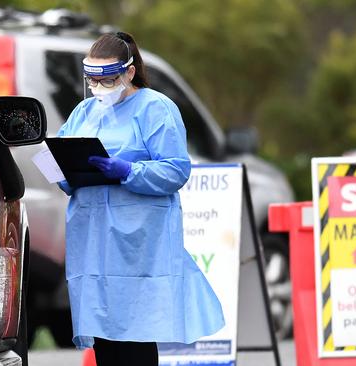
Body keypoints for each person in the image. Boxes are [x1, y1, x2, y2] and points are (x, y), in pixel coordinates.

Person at [56, 32, 225, 366]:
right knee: (103, 335)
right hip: (92, 242)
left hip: (137, 246)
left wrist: (128, 171)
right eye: (93, 79)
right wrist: (64, 173)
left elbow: (176, 170)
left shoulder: (156, 108)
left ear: (129, 72)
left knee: (135, 335)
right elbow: (53, 155)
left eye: (108, 79)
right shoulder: (84, 112)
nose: (99, 87)